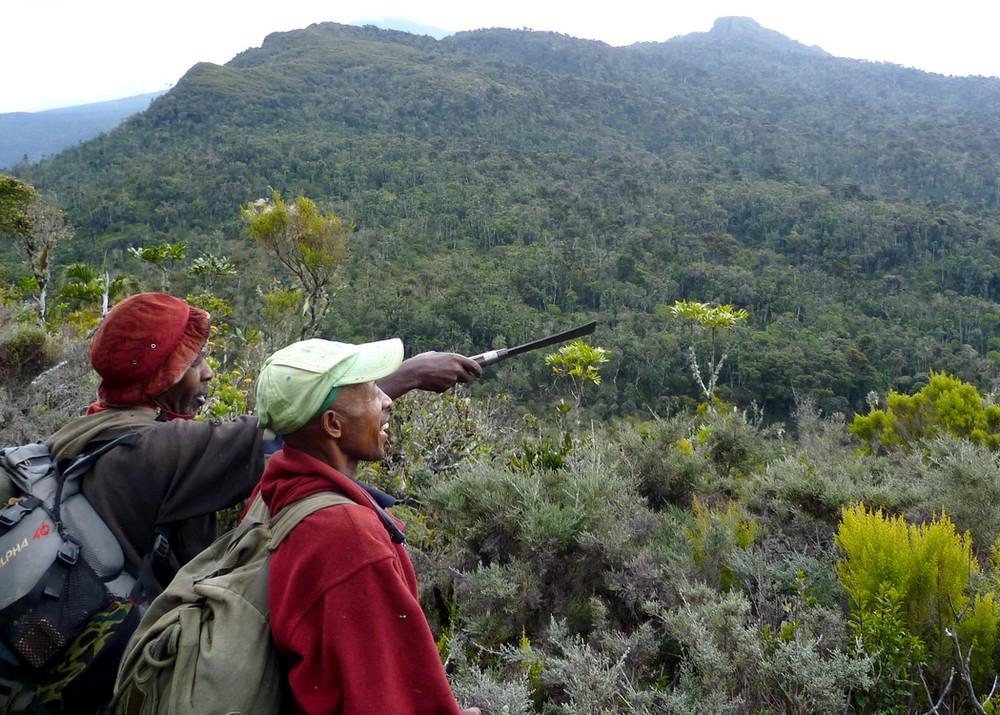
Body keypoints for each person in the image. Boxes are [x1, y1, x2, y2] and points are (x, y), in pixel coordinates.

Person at [37, 292, 481, 713]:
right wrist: (407, 377)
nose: (207, 372)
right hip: (142, 673)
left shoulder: (95, 432)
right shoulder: (158, 452)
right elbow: (284, 430)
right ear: (159, 378)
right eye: (193, 363)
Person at [254, 337, 481, 715]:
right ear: (332, 424)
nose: (387, 400)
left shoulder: (276, 494)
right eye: (371, 392)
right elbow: (384, 698)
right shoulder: (349, 537)